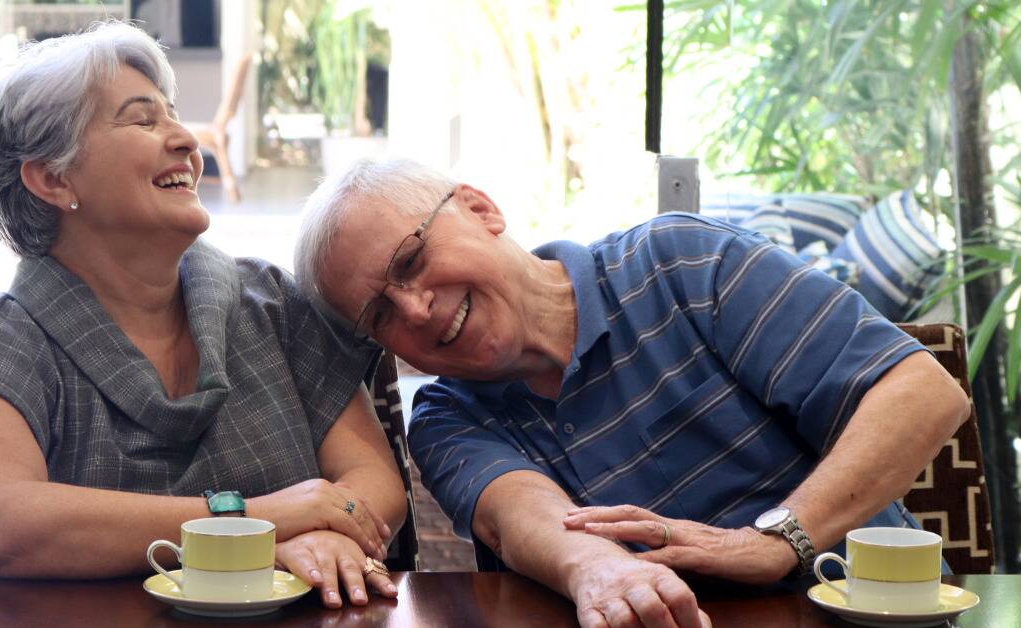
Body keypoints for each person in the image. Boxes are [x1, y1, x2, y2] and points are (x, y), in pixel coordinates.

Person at [293, 158, 970, 627]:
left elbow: (923, 391)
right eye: (378, 316)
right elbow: (523, 515)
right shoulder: (447, 415)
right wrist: (600, 571)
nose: (413, 310)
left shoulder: (679, 262)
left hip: (866, 610)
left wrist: (775, 542)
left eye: (411, 261)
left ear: (480, 209)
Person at [0, 22, 405, 609]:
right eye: (144, 120)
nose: (186, 141)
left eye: (173, 116)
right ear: (52, 178)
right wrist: (255, 525)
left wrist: (329, 530)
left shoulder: (275, 304)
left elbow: (375, 482)